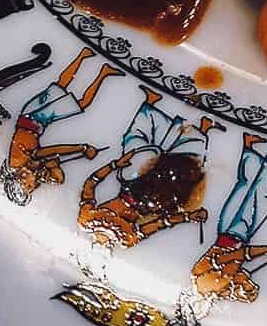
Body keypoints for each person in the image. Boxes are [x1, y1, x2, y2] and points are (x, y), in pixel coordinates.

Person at [180, 133, 267, 323]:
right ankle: (255, 149)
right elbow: (241, 269)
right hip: (237, 234)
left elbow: (236, 255)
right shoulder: (214, 286)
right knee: (251, 189)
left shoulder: (204, 281)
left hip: (232, 233)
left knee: (258, 192)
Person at [77, 88, 211, 247]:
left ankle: (151, 104)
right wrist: (188, 217)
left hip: (131, 186)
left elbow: (90, 183)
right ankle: (201, 130)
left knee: (137, 147)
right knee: (185, 171)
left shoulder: (87, 221)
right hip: (157, 202)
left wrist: (114, 165)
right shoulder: (126, 239)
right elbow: (160, 223)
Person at [0, 47, 120, 206]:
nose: (33, 185)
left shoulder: (18, 162)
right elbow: (59, 179)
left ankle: (94, 64)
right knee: (62, 87)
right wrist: (52, 170)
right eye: (31, 188)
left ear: (19, 179)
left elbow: (51, 151)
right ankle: (99, 68)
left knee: (78, 101)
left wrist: (82, 148)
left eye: (28, 185)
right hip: (36, 121)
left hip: (33, 118)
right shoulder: (30, 169)